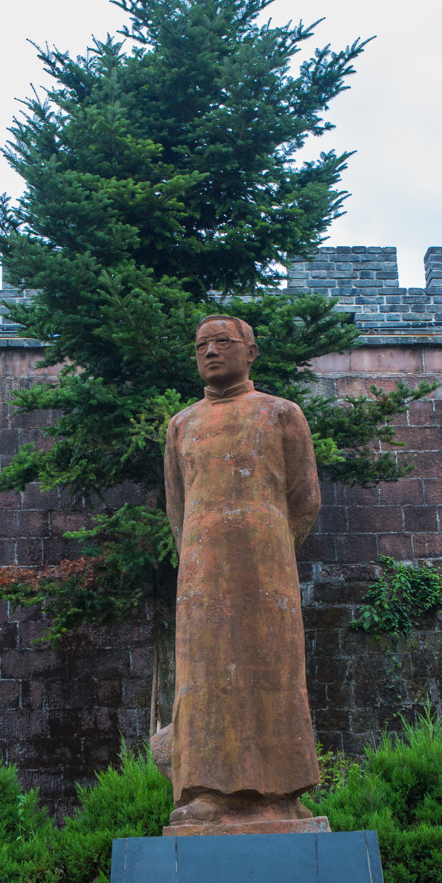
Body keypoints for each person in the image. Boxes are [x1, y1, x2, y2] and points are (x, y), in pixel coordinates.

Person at [161, 314, 324, 831]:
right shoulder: (181, 425)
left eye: (223, 342)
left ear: (250, 352)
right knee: (203, 676)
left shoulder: (281, 414)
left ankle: (283, 794)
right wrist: (204, 551)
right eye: (201, 344)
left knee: (274, 670)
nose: (211, 351)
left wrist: (266, 543)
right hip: (202, 574)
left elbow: (304, 498)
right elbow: (177, 508)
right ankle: (208, 790)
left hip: (266, 566)